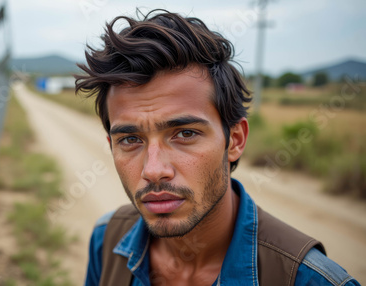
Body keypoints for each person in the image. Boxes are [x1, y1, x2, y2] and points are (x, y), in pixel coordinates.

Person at [75, 10, 360, 286]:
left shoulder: (311, 280)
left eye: (185, 133)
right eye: (130, 140)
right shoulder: (107, 240)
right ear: (111, 145)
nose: (154, 171)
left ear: (234, 139)